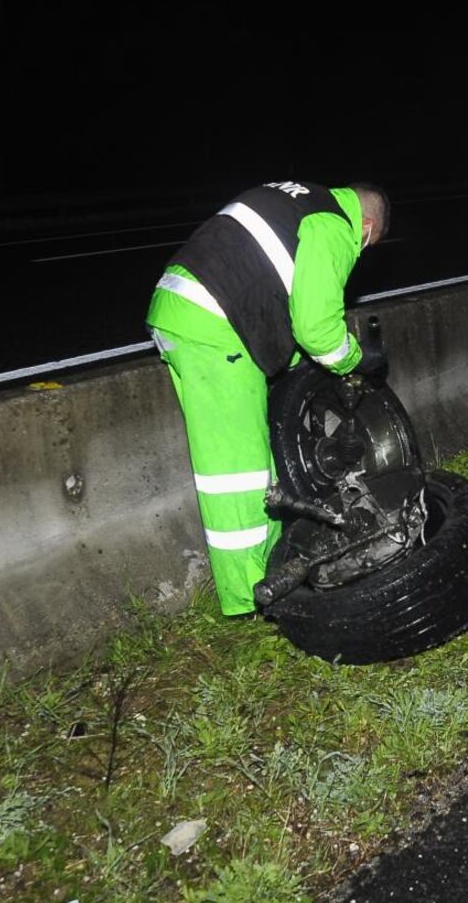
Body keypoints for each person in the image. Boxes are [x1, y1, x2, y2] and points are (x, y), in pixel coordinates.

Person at [146, 180, 389, 616]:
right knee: (236, 476)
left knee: (248, 462)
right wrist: (354, 358)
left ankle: (268, 571)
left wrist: (297, 363)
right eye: (366, 244)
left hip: (181, 308)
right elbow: (317, 328)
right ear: (367, 225)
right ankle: (251, 599)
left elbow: (276, 292)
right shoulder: (334, 226)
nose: (360, 251)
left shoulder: (299, 199)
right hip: (215, 327)